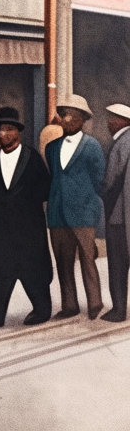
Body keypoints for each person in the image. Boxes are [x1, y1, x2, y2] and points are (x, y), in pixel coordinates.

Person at [0, 107, 52, 329]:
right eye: (0, 129)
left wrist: (23, 202)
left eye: (8, 129)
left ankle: (41, 309)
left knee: (33, 270)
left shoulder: (32, 158)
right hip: (0, 229)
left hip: (29, 228)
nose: (3, 134)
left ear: (18, 132)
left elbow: (45, 189)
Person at [45, 94, 105, 320]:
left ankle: (95, 303)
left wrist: (92, 210)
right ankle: (69, 305)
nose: (65, 119)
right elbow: (54, 176)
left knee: (88, 259)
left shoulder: (92, 146)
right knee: (62, 260)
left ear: (81, 119)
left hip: (83, 213)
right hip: (57, 212)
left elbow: (99, 181)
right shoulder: (51, 148)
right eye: (63, 114)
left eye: (70, 115)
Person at [101, 103, 130, 322]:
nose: (109, 122)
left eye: (112, 118)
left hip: (119, 215)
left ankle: (119, 309)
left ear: (122, 121)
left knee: (118, 265)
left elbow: (111, 179)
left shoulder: (121, 143)